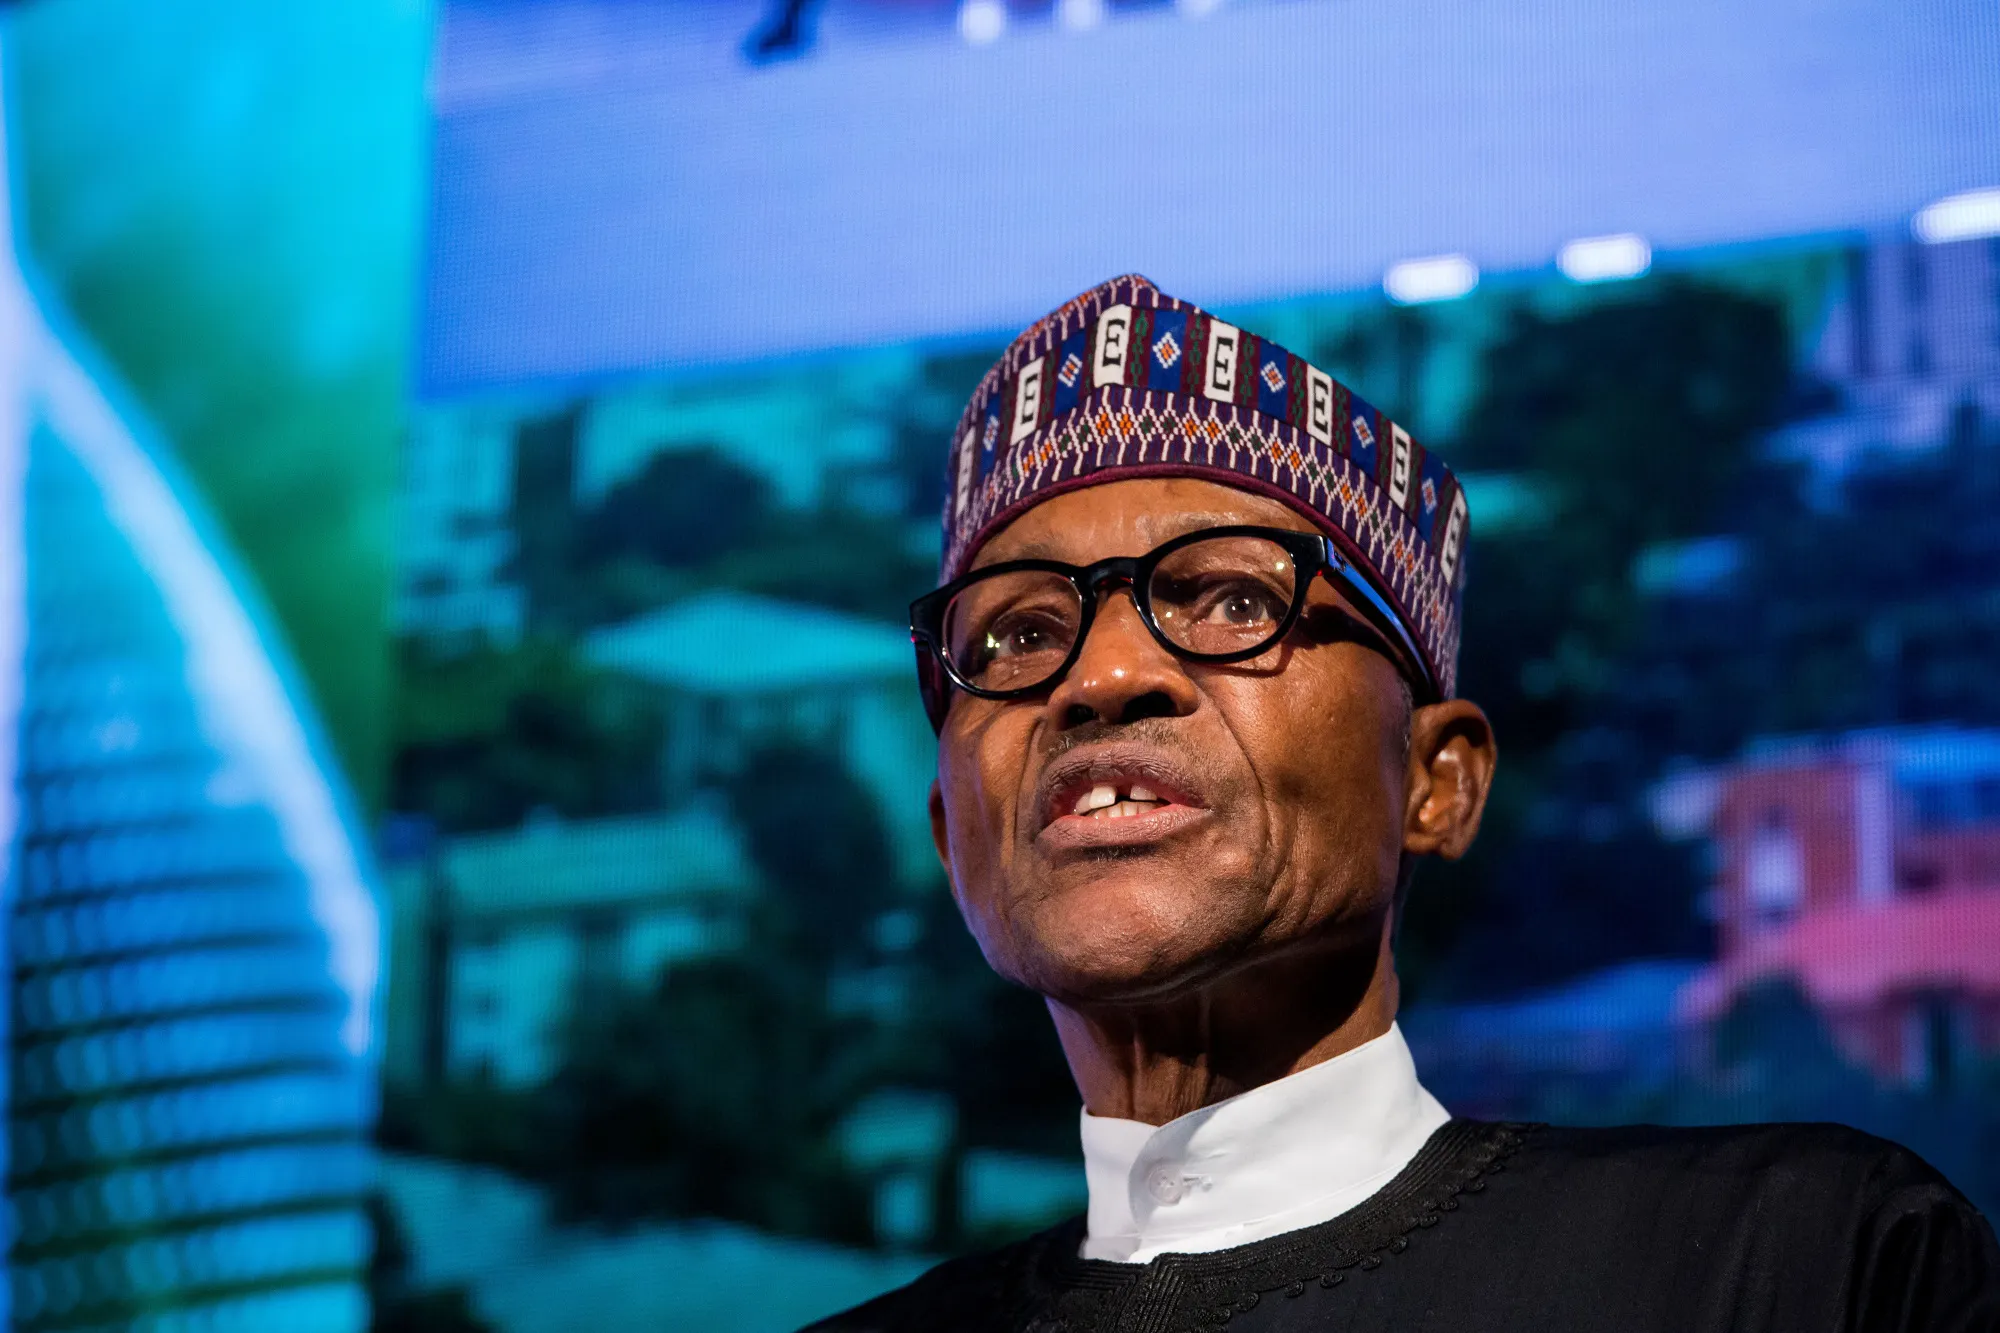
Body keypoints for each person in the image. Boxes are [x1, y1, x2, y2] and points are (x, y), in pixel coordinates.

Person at [805, 275, 2000, 1331]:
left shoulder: (1795, 1264)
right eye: (1018, 634)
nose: (1105, 678)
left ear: (1436, 779)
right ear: (950, 833)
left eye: (1228, 599)